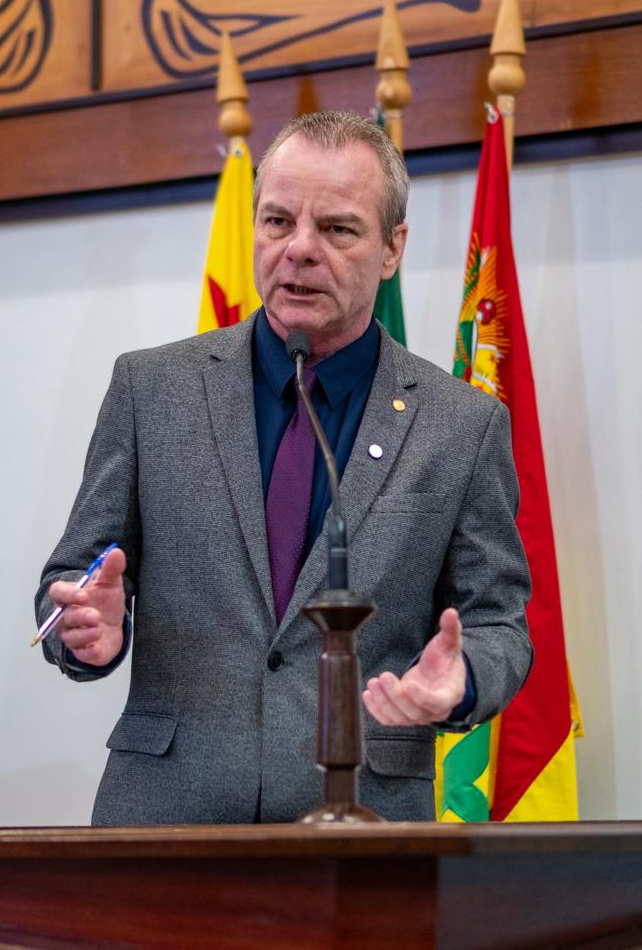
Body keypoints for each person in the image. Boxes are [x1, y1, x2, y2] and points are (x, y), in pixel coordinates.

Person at [36, 110, 532, 824]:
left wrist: (465, 679)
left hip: (366, 824)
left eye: (337, 229)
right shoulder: (152, 390)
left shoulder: (461, 424)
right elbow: (73, 580)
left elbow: (498, 623)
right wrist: (83, 627)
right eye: (277, 221)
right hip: (166, 821)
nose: (299, 249)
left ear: (392, 249)